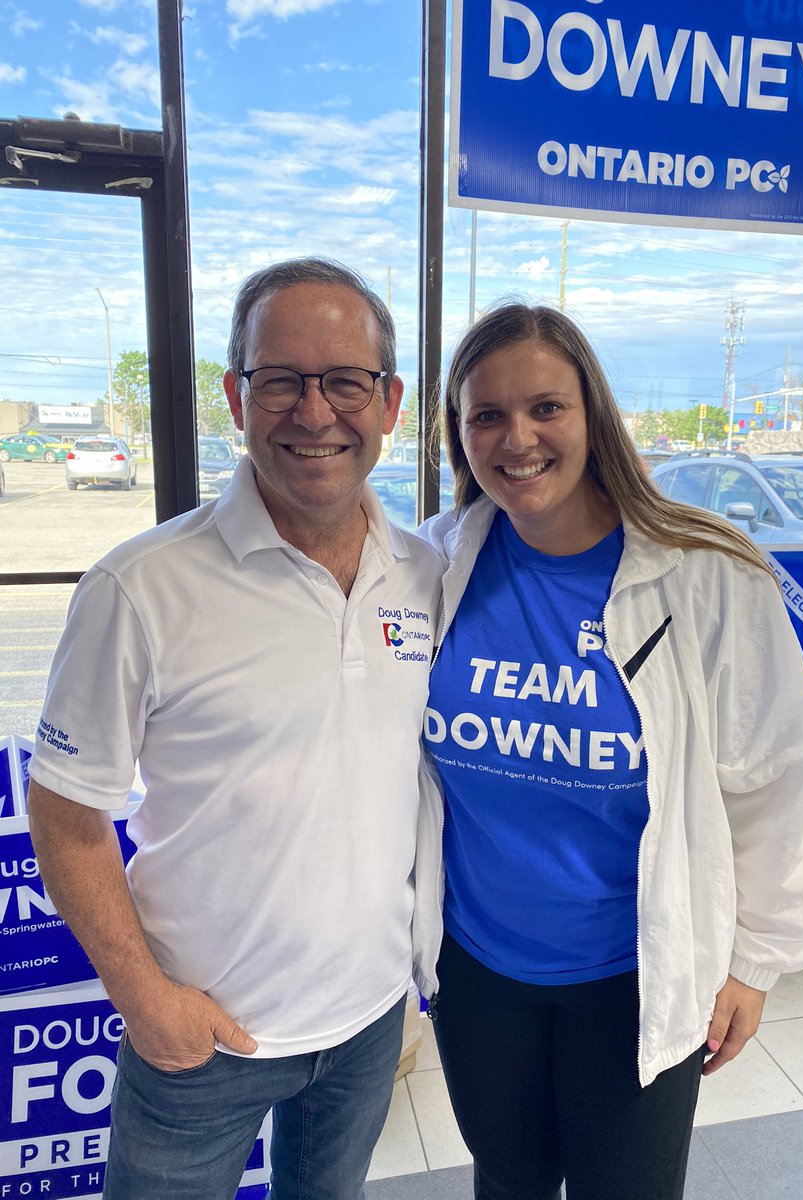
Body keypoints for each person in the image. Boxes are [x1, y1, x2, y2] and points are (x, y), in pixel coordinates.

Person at [26, 257, 442, 1200]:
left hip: (370, 1021)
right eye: (281, 379)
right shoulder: (142, 586)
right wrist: (146, 1001)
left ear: (390, 403)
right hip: (200, 1041)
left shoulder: (423, 574)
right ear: (234, 394)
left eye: (345, 381)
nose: (314, 411)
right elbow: (65, 815)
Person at [416, 303, 803, 1200]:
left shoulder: (710, 571)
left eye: (545, 408)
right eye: (485, 414)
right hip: (479, 967)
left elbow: (776, 779)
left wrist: (755, 963)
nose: (516, 438)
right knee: (509, 1180)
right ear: (458, 433)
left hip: (636, 970)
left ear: (593, 414)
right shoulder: (436, 563)